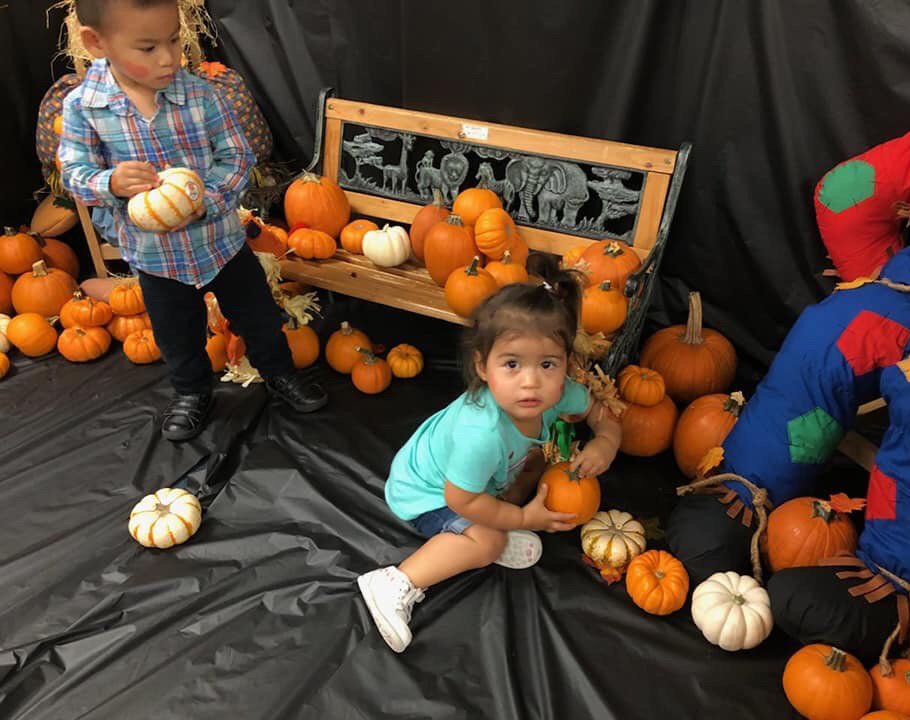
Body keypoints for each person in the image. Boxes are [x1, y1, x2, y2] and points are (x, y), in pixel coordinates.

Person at [59, 0, 327, 441]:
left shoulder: (202, 95)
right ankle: (191, 391)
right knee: (176, 334)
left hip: (220, 242)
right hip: (155, 256)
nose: (168, 58)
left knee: (258, 315)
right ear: (96, 42)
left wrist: (210, 197)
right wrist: (111, 182)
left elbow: (237, 155)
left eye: (173, 40)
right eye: (147, 47)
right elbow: (75, 175)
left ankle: (279, 373)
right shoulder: (85, 108)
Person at [358, 259, 622, 653]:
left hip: (485, 479)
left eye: (547, 364)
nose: (530, 381)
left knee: (536, 462)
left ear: (565, 363)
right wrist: (521, 518)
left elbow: (601, 414)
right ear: (482, 366)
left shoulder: (556, 391)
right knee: (488, 543)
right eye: (512, 364)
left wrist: (606, 441)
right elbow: (458, 499)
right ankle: (396, 581)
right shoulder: (479, 433)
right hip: (427, 493)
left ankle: (495, 521)